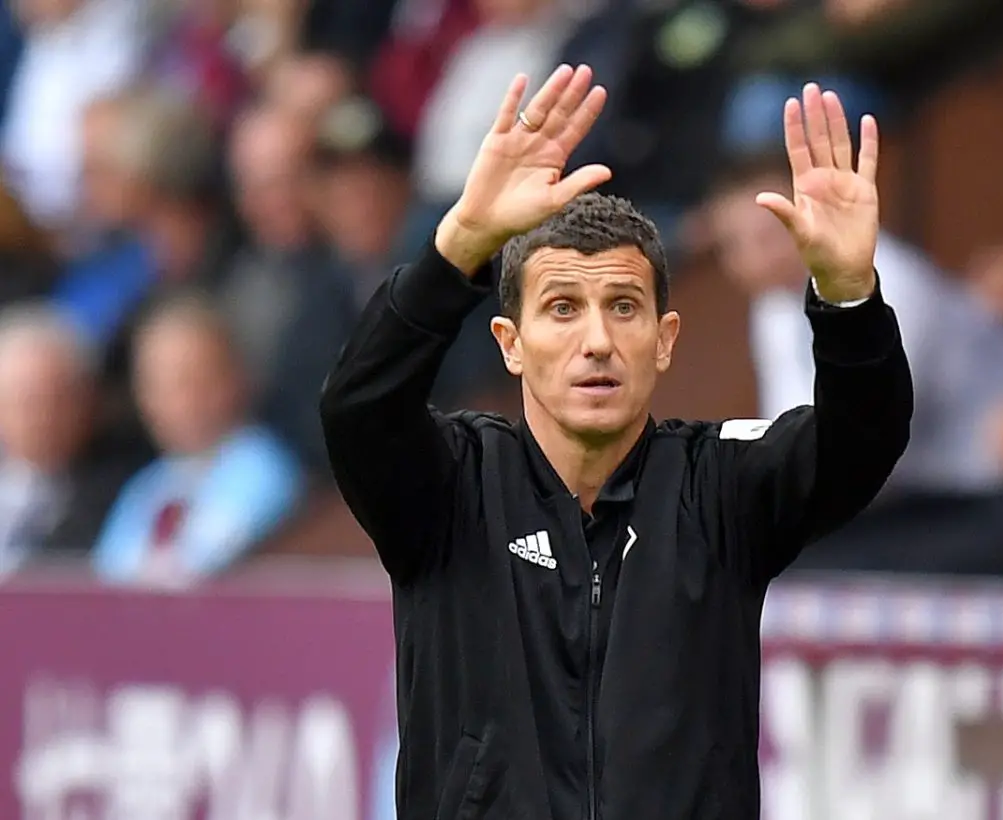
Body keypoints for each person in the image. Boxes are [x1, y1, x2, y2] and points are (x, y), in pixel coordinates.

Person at [320, 64, 913, 819]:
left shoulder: (720, 487)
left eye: (624, 307)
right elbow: (358, 406)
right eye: (563, 308)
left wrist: (848, 296)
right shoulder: (451, 487)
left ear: (664, 340)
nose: (597, 340)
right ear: (510, 342)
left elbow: (863, 438)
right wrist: (460, 244)